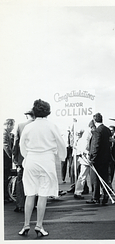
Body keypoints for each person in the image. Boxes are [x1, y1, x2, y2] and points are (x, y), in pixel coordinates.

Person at [18, 99, 66, 237]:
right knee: (43, 194)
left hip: (31, 160)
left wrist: (27, 156)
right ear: (48, 112)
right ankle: (39, 225)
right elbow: (61, 144)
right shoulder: (52, 126)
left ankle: (26, 225)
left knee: (30, 193)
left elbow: (22, 146)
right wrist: (61, 157)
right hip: (46, 160)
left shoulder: (28, 127)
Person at [86, 113, 111, 205]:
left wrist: (92, 158)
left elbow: (95, 146)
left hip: (98, 159)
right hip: (106, 158)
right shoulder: (107, 130)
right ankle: (105, 195)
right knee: (104, 177)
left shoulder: (97, 131)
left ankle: (95, 197)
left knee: (95, 179)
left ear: (94, 120)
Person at [12, 111, 35, 212]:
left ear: (26, 115)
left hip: (22, 158)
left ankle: (20, 205)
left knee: (20, 181)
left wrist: (14, 156)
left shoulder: (20, 126)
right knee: (34, 181)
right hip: (35, 158)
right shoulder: (38, 126)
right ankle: (32, 204)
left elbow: (16, 143)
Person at [73, 121, 95, 199]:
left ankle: (78, 191)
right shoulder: (88, 134)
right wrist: (88, 154)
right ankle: (78, 192)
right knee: (83, 176)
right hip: (86, 158)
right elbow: (85, 146)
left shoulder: (88, 133)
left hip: (86, 157)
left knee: (83, 175)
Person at [3, 118, 15, 203]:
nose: (13, 128)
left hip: (6, 159)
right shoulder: (4, 133)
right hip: (5, 159)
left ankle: (6, 196)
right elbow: (6, 146)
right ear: (9, 125)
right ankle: (5, 196)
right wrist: (11, 155)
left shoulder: (6, 133)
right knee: (5, 177)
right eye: (12, 125)